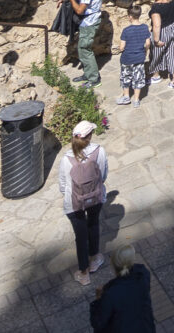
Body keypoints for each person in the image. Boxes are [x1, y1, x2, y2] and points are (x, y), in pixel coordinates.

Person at [57, 119, 109, 285]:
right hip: (95, 197)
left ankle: (84, 272)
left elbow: (63, 184)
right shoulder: (99, 152)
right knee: (93, 224)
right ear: (90, 135)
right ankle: (95, 259)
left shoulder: (66, 159)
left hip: (74, 202)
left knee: (80, 236)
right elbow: (103, 174)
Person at [89, 244, 155, 333]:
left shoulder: (110, 294)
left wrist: (98, 299)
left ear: (113, 264)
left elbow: (98, 323)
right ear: (132, 260)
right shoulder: (143, 275)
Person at [67, 0, 104, 89]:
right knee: (83, 49)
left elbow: (79, 11)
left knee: (85, 50)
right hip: (94, 18)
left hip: (88, 22)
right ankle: (88, 74)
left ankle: (94, 79)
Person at [115, 4, 152, 106]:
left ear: (130, 16)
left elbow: (122, 47)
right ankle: (136, 100)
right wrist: (145, 51)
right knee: (138, 78)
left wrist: (119, 48)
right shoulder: (145, 28)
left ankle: (126, 97)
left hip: (127, 59)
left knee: (126, 77)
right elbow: (148, 43)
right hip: (139, 58)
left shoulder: (126, 30)